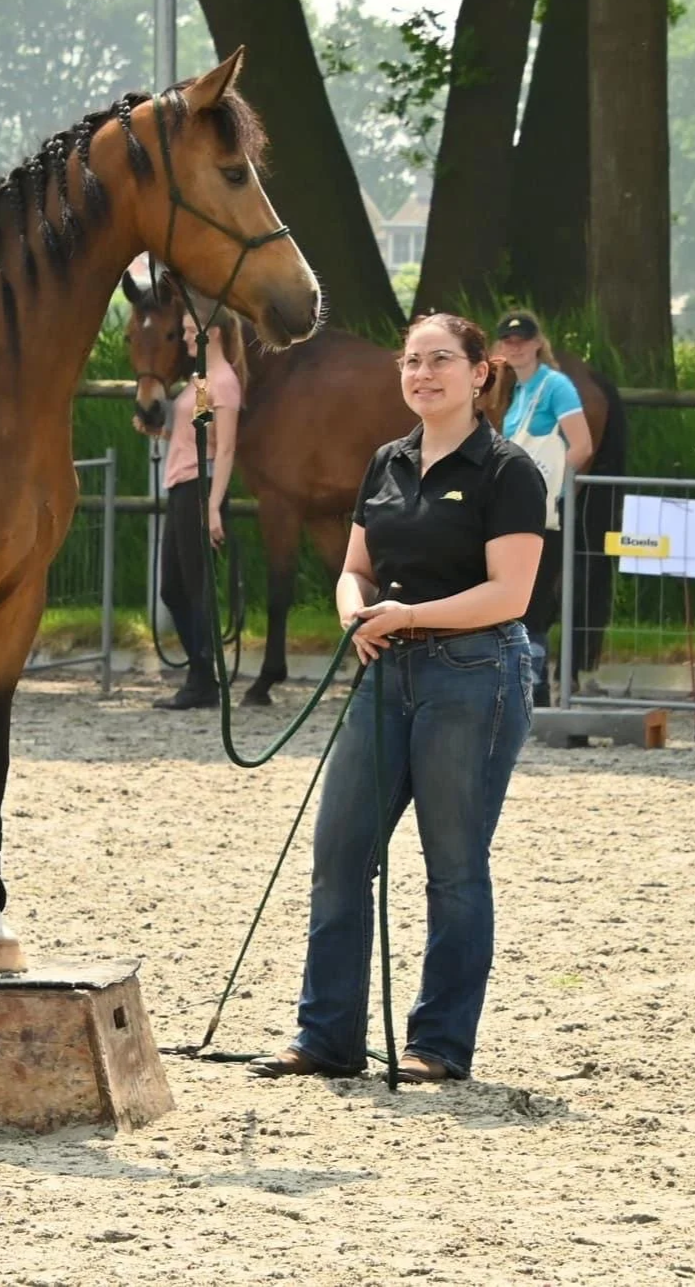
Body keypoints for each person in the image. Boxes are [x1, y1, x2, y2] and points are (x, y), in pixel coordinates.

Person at [248, 314, 545, 1084]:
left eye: (441, 360)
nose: (423, 374)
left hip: (474, 673)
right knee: (339, 854)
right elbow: (357, 566)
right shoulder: (386, 461)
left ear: (480, 373)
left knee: (453, 866)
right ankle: (328, 1037)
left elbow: (508, 594)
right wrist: (353, 608)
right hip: (387, 673)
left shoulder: (507, 470)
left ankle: (439, 1045)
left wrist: (407, 616)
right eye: (412, 362)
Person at [143, 306, 245, 710]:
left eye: (189, 331)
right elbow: (200, 434)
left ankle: (202, 678)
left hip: (199, 489)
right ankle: (202, 673)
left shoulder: (224, 383)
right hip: (182, 485)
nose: (185, 338)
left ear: (213, 334)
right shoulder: (202, 380)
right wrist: (162, 430)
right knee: (174, 587)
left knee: (195, 586)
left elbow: (226, 449)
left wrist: (214, 505)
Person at [495, 310, 593, 707]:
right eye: (508, 340)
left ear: (538, 343)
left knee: (534, 598)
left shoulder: (556, 386)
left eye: (523, 339)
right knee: (516, 594)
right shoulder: (515, 394)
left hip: (546, 510)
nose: (515, 346)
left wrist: (552, 486)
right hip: (518, 510)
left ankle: (535, 685)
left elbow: (581, 444)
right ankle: (522, 679)